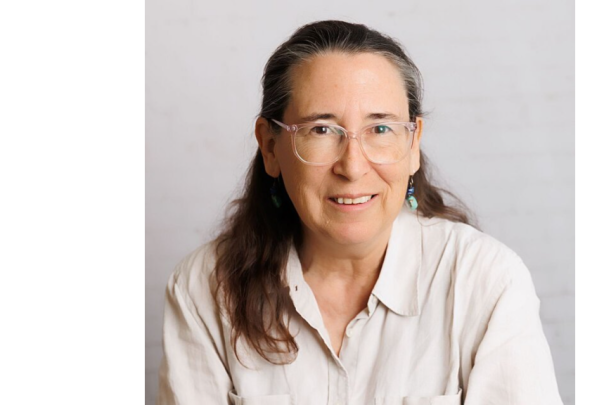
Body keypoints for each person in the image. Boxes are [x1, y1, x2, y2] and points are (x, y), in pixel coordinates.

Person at [157, 20, 563, 405]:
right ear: (270, 147)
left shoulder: (485, 281)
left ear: (413, 145)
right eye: (321, 130)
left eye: (381, 129)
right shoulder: (204, 288)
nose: (352, 167)